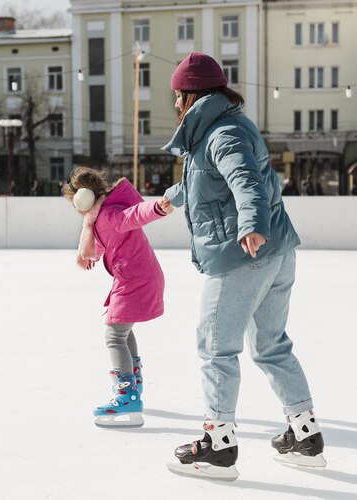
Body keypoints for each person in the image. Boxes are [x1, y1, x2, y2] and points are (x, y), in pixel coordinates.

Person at [161, 52, 326, 481]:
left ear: (187, 95)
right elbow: (206, 179)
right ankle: (304, 435)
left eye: (176, 96)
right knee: (271, 345)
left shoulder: (221, 134)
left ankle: (218, 446)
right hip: (277, 253)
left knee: (216, 349)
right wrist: (171, 197)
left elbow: (245, 181)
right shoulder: (226, 126)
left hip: (243, 256)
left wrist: (251, 224)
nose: (175, 105)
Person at [62, 167, 173, 428]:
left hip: (136, 278)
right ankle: (133, 386)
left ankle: (127, 396)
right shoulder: (99, 217)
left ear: (83, 198)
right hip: (136, 275)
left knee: (114, 334)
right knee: (123, 330)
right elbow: (107, 239)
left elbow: (132, 216)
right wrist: (93, 253)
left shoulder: (109, 215)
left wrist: (158, 207)